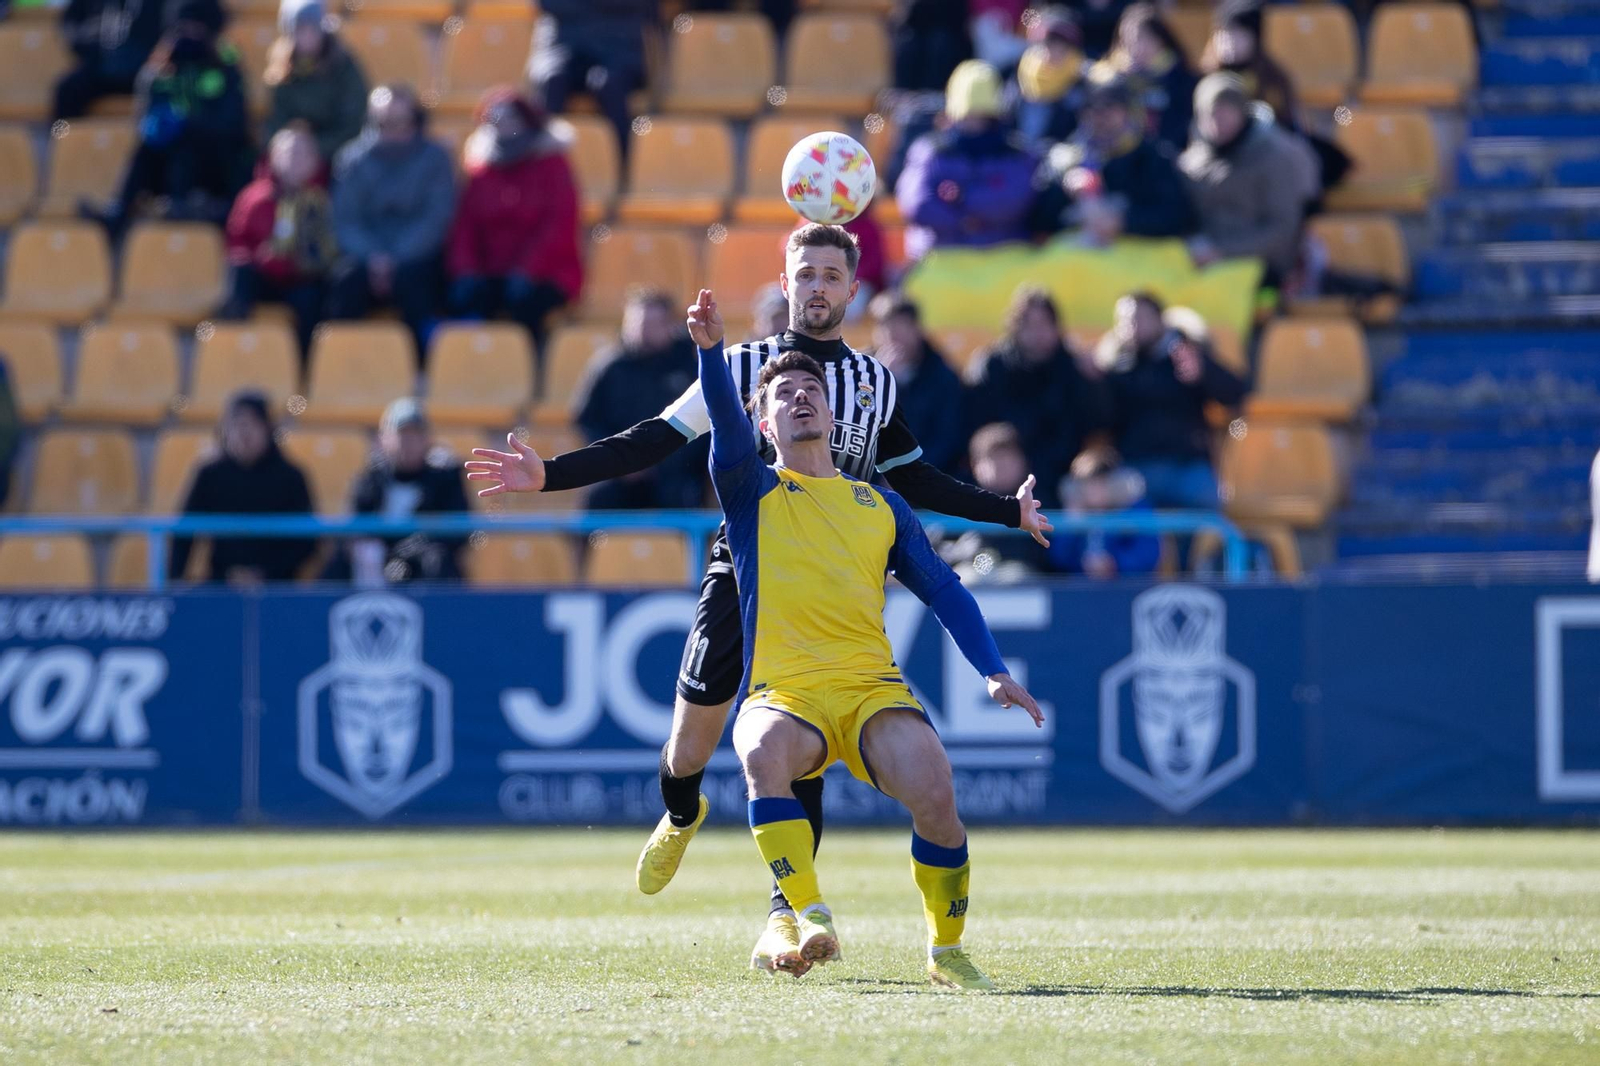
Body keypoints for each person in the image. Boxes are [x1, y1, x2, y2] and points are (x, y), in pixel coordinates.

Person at [464, 224, 1053, 970]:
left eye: (831, 275)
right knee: (693, 743)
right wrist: (551, 475)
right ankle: (682, 811)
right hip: (745, 565)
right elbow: (655, 437)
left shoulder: (874, 383)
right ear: (784, 279)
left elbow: (917, 481)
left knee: (795, 738)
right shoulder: (742, 363)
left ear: (851, 286)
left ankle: (789, 915)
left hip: (834, 571)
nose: (816, 287)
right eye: (804, 273)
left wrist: (1007, 512)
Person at [686, 285, 1044, 987]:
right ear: (762, 421)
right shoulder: (749, 490)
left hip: (869, 691)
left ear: (831, 408)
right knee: (759, 749)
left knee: (937, 794)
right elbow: (723, 424)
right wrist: (707, 356)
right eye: (782, 393)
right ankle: (809, 911)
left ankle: (947, 951)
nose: (799, 397)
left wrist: (993, 669)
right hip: (784, 691)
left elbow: (943, 587)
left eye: (810, 389)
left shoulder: (879, 504)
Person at [85, 0, 249, 237]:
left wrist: (190, 124)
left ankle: (191, 206)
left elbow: (234, 125)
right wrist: (160, 124)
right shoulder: (162, 67)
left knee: (191, 143)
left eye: (197, 27)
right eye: (184, 27)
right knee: (146, 149)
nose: (190, 34)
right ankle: (118, 212)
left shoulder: (225, 67)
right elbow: (147, 112)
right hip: (169, 166)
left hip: (214, 163)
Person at [446, 88, 582, 359]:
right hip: (492, 271)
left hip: (546, 272)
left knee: (526, 305)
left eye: (511, 121)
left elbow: (558, 225)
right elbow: (466, 227)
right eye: (496, 122)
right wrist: (466, 270)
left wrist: (527, 270)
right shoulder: (481, 169)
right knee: (464, 300)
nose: (504, 128)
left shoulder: (552, 164)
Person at [327, 84, 455, 357]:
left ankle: (422, 365)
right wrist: (373, 257)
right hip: (366, 258)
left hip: (416, 256)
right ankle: (343, 361)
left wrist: (396, 258)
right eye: (382, 123)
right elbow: (346, 220)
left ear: (415, 120)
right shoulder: (352, 159)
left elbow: (435, 218)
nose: (391, 130)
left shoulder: (435, 159)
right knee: (344, 281)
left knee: (417, 283)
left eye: (399, 122)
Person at [1095, 291, 1247, 509]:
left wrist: (1204, 372)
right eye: (1126, 321)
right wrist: (1093, 381)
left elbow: (1235, 394)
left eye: (1141, 318)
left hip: (1187, 466)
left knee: (1208, 507)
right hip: (1136, 468)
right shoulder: (1115, 368)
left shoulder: (1187, 354)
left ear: (1160, 319)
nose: (1133, 326)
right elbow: (1100, 419)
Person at [965, 286, 1109, 507]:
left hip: (1062, 474)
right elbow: (978, 428)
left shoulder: (1074, 368)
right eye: (1029, 325)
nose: (1037, 334)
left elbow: (1098, 421)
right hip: (1003, 475)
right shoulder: (992, 368)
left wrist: (1096, 382)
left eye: (1044, 324)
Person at [572, 289, 706, 510]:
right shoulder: (609, 367)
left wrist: (662, 462)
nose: (642, 329)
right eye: (636, 322)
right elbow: (588, 420)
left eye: (652, 323)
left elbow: (703, 425)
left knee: (686, 498)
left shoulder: (689, 367)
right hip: (620, 472)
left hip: (675, 475)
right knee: (596, 500)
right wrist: (618, 460)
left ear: (669, 325)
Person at [1178, 73, 1317, 283]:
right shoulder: (1190, 162)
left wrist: (1223, 251)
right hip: (1199, 259)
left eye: (1227, 112)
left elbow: (1283, 228)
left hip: (1259, 265)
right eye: (1212, 113)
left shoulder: (1273, 156)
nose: (1219, 121)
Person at [895, 60, 1038, 262]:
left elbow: (1015, 200)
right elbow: (917, 204)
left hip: (1003, 262)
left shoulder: (1016, 153)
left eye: (982, 117)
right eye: (969, 115)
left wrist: (962, 199)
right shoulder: (930, 150)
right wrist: (963, 221)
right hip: (940, 260)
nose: (974, 123)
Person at [1030, 75, 1196, 245]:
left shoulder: (1153, 156)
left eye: (1109, 107)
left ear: (1128, 112)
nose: (1099, 115)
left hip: (1135, 254)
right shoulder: (1064, 157)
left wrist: (1123, 222)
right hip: (1073, 255)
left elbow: (1176, 217)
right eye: (1091, 108)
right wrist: (1064, 189)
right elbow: (1037, 220)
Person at [170, 391, 316, 584]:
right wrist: (174, 582)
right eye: (236, 426)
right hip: (220, 583)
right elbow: (184, 533)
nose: (244, 434)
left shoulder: (290, 477)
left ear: (268, 429)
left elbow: (307, 542)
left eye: (252, 425)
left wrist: (265, 573)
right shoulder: (209, 476)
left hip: (278, 586)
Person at [221, 124, 336, 359]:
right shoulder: (254, 197)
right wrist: (260, 257)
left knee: (314, 297)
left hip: (305, 278)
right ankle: (230, 351)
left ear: (315, 159)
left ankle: (307, 365)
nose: (294, 160)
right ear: (273, 157)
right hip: (265, 273)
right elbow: (237, 242)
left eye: (303, 154)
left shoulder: (327, 197)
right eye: (288, 153)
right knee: (240, 276)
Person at [328, 398, 470, 585]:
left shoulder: (446, 478)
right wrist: (382, 554)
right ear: (384, 438)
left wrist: (409, 553)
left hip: (424, 564)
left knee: (437, 560)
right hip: (375, 562)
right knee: (338, 564)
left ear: (427, 439)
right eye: (402, 433)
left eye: (416, 434)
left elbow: (458, 532)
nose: (408, 442)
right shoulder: (369, 480)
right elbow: (352, 527)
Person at [528, 0, 652, 154]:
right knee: (553, 79)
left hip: (619, 44)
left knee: (609, 84)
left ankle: (624, 164)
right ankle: (538, 161)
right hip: (564, 41)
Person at [940, 423, 1058, 583]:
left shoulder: (1039, 502)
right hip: (972, 571)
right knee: (964, 580)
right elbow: (940, 546)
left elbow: (1050, 554)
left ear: (1022, 461)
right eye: (993, 458)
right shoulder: (959, 498)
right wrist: (962, 551)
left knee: (1016, 577)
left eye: (1007, 457)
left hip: (1022, 575)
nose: (1001, 465)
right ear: (975, 465)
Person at [869, 292, 966, 475]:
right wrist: (883, 383)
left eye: (902, 326)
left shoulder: (943, 376)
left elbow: (948, 438)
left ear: (917, 329)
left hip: (929, 474)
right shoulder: (863, 373)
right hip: (875, 476)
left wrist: (907, 473)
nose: (893, 336)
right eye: (886, 327)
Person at [262, 0, 368, 166]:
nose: (307, 36)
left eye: (312, 28)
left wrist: (314, 149)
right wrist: (289, 147)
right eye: (299, 29)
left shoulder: (343, 66)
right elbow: (276, 120)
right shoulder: (280, 70)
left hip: (335, 158)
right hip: (292, 159)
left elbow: (353, 124)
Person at [1100, 3, 1197, 155]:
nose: (1133, 48)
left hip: (1168, 154)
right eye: (1126, 40)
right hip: (1124, 156)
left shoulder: (1181, 77)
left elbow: (1183, 123)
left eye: (1140, 39)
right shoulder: (1113, 79)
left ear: (1160, 40)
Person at [1054, 445, 1161, 578]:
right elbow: (1059, 558)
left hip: (1125, 587)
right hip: (1082, 588)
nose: (1095, 489)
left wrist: (1115, 564)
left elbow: (1148, 554)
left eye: (1102, 481)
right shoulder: (1075, 513)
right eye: (1089, 483)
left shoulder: (1136, 509)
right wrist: (1071, 527)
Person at [54, 0, 173, 119]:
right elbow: (72, 24)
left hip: (145, 69)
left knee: (161, 87)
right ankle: (62, 135)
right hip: (102, 67)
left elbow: (174, 28)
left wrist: (161, 51)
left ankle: (150, 135)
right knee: (67, 89)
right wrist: (90, 47)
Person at [1005, 6, 1088, 150]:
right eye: (1048, 43)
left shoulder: (1081, 82)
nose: (1053, 52)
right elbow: (1006, 122)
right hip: (1021, 159)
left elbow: (1082, 133)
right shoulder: (1016, 76)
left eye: (1062, 46)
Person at [891, 0, 971, 93]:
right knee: (908, 45)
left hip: (948, 33)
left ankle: (931, 94)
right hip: (920, 32)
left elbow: (956, 15)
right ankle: (903, 95)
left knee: (939, 42)